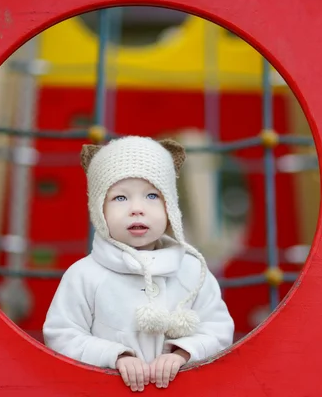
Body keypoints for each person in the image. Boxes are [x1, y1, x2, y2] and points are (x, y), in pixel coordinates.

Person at [43, 136, 234, 392]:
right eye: (120, 198)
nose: (137, 209)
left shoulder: (191, 271)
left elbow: (219, 330)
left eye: (152, 196)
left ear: (170, 208)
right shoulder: (84, 275)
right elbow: (61, 335)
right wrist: (115, 355)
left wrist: (182, 354)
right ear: (99, 211)